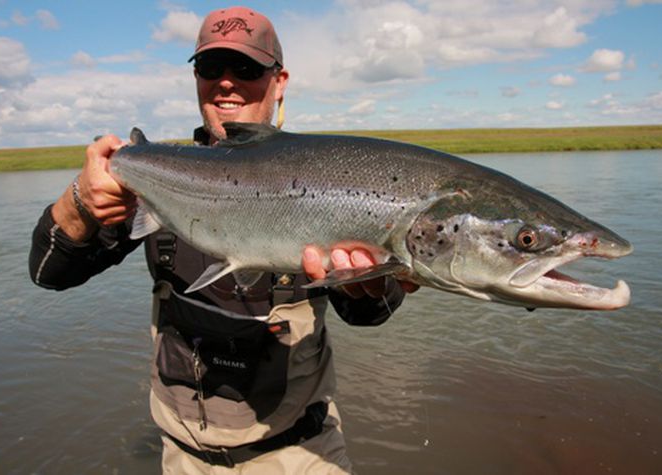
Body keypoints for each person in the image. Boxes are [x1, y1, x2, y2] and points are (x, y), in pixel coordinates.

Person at [29, 6, 416, 474]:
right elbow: (49, 273)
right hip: (183, 459)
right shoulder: (161, 175)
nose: (226, 82)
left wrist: (372, 285)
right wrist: (79, 200)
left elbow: (368, 313)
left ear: (280, 80)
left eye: (247, 68)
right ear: (196, 79)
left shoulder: (328, 180)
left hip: (301, 455)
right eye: (211, 68)